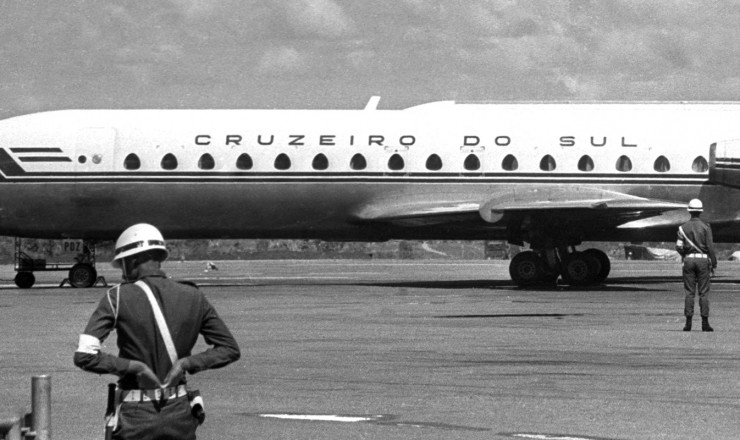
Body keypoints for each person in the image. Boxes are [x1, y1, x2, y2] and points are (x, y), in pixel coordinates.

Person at [74, 223, 241, 440]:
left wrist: (134, 367)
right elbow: (229, 349)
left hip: (135, 416)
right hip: (179, 413)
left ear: (130, 261)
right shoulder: (194, 296)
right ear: (159, 257)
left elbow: (84, 356)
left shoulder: (116, 298)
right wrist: (186, 364)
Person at [675, 199, 717, 332]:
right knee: (703, 293)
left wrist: (685, 254)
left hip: (688, 261)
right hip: (703, 261)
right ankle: (705, 323)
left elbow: (678, 246)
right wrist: (713, 262)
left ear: (689, 211)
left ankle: (688, 323)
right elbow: (710, 247)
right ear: (700, 211)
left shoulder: (682, 228)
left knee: (689, 293)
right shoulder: (706, 227)